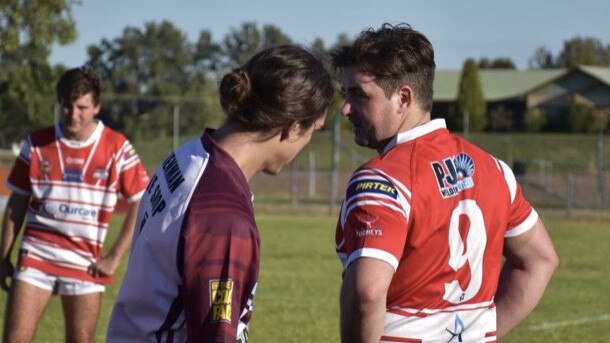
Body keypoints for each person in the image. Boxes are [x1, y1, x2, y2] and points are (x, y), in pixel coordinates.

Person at [331, 23, 559, 342]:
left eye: (359, 95)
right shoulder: (494, 169)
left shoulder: (381, 178)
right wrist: (481, 334)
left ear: (403, 98)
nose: (345, 108)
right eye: (346, 94)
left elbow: (367, 292)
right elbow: (541, 260)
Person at [106, 44, 334, 342]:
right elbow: (216, 335)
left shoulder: (189, 155)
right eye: (311, 132)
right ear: (292, 128)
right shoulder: (222, 214)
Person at [0, 66, 150, 342]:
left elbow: (142, 200)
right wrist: (3, 255)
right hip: (37, 256)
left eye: (82, 107)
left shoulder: (116, 147)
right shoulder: (35, 143)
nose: (73, 114)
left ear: (97, 107)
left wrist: (114, 257)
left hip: (85, 263)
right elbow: (16, 204)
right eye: (66, 106)